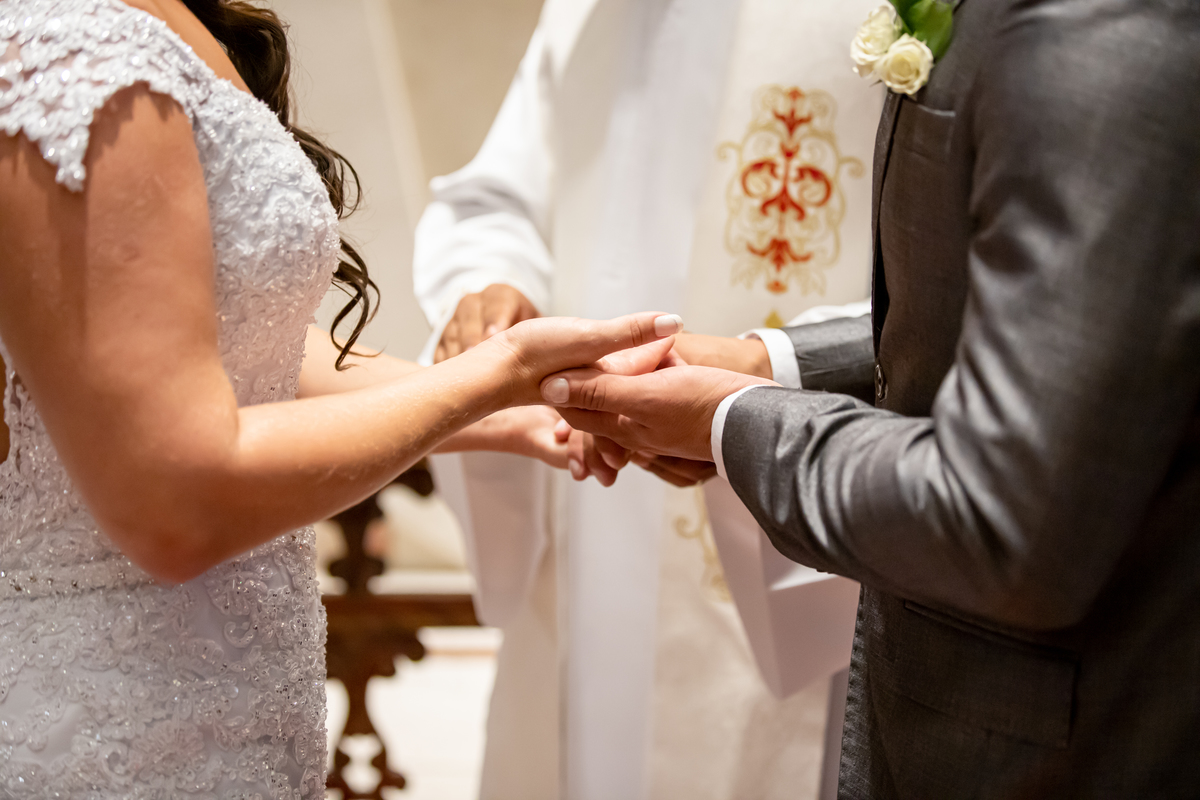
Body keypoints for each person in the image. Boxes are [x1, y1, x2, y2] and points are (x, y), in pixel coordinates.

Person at [0, 0, 682, 795]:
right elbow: (172, 506)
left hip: (230, 715)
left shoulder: (162, 16)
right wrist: (494, 374)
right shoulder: (69, 56)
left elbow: (244, 347)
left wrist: (517, 404)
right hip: (100, 718)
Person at [543, 0, 1200, 796]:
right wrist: (774, 362)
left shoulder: (1092, 29)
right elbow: (1079, 312)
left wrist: (733, 420)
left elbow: (999, 517)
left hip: (1073, 742)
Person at [412, 0, 884, 796]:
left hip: (763, 490)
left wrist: (768, 371)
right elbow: (499, 198)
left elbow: (949, 281)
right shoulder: (589, 12)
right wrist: (490, 284)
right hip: (585, 495)